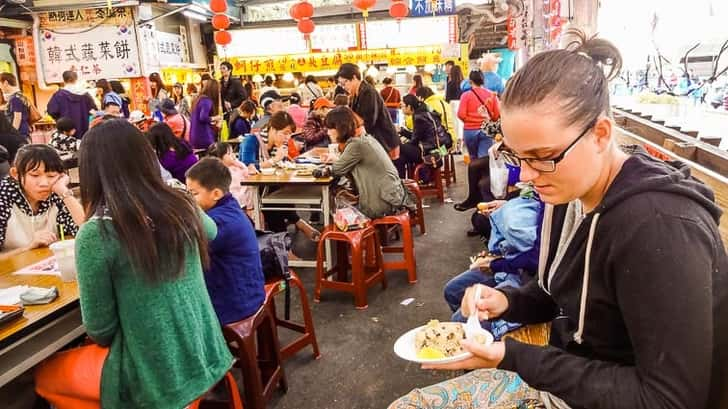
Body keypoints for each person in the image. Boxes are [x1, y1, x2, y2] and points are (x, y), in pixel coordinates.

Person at [390, 29, 728, 409]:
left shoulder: (660, 226)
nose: (529, 176)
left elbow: (670, 399)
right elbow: (561, 292)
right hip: (574, 382)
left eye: (543, 156)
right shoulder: (570, 190)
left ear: (600, 134)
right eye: (519, 157)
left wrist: (511, 356)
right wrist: (507, 301)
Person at [34, 119, 233, 409]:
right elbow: (212, 231)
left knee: (42, 376)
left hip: (154, 373)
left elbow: (100, 330)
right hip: (204, 352)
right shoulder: (182, 202)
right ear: (146, 159)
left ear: (91, 171)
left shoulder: (96, 233)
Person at [185, 157, 265, 324]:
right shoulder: (228, 207)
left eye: (193, 194)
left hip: (236, 302)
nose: (189, 199)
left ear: (216, 193)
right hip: (243, 289)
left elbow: (188, 250)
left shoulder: (220, 222)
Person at [324, 106, 413, 219]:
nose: (327, 132)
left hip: (382, 203)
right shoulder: (364, 138)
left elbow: (337, 170)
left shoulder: (356, 145)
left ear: (339, 128)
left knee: (337, 207)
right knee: (342, 196)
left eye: (330, 128)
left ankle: (333, 234)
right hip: (392, 196)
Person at [240, 112, 319, 238]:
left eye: (290, 134)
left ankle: (284, 241)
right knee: (272, 203)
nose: (287, 138)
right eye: (284, 133)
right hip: (249, 190)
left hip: (267, 186)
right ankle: (293, 231)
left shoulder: (278, 145)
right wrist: (274, 160)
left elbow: (282, 164)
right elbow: (246, 167)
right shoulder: (251, 140)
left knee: (277, 196)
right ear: (272, 129)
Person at [0, 145, 84, 259]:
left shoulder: (55, 192)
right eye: (35, 175)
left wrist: (64, 192)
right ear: (15, 174)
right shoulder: (3, 197)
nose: (44, 183)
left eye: (51, 175)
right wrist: (28, 247)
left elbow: (85, 231)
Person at [336, 63, 400, 158]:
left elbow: (368, 123)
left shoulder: (368, 92)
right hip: (374, 143)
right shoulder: (355, 96)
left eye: (344, 83)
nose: (343, 87)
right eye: (341, 84)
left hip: (385, 143)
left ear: (354, 78)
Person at [457, 70, 500, 160]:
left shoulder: (465, 96)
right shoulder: (492, 95)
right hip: (486, 130)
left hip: (470, 131)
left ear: (470, 81)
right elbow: (496, 116)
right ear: (483, 80)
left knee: (473, 158)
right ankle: (484, 174)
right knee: (484, 159)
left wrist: (469, 121)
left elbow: (461, 114)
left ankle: (474, 174)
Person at [394, 95, 438, 178]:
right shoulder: (423, 112)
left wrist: (403, 139)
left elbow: (414, 140)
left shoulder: (419, 117)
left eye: (402, 106)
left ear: (409, 106)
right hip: (429, 148)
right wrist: (402, 131)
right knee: (401, 158)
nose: (401, 108)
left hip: (426, 152)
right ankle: (403, 183)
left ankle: (402, 183)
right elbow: (417, 136)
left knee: (397, 146)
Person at [206, 142, 257, 212]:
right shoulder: (219, 172)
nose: (233, 155)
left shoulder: (235, 165)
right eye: (229, 154)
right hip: (235, 199)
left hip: (244, 195)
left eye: (232, 152)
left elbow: (246, 173)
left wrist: (239, 165)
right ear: (219, 159)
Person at [47, 71, 98, 138]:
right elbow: (94, 111)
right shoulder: (85, 95)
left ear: (64, 80)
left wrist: (60, 120)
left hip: (66, 131)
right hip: (84, 130)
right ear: (76, 79)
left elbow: (52, 111)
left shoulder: (59, 95)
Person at [190, 79, 222, 149]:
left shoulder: (198, 99)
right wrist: (216, 118)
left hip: (194, 136)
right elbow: (203, 117)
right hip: (204, 136)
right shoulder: (207, 101)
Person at [0, 73, 31, 140]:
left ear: (5, 83)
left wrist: (12, 135)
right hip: (23, 133)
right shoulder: (20, 96)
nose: (0, 88)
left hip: (20, 135)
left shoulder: (15, 99)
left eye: (0, 84)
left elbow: (17, 118)